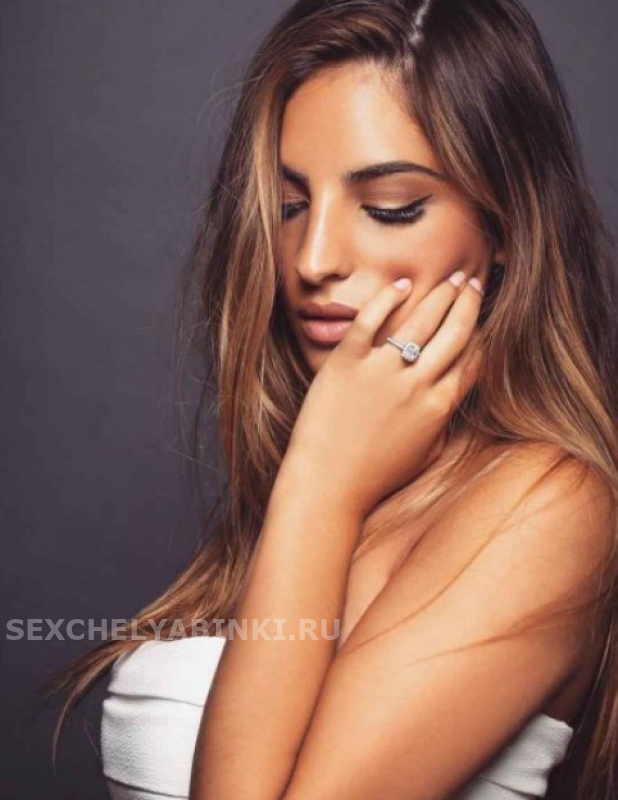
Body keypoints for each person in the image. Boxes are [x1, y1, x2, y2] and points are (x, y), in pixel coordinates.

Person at [45, 1, 618, 798]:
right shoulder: (317, 490)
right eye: (288, 206)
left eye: (390, 207)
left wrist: (321, 482)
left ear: (508, 228)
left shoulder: (544, 506)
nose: (312, 259)